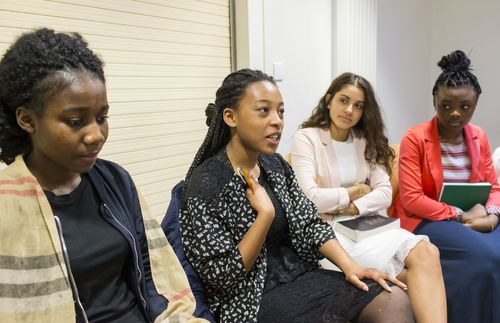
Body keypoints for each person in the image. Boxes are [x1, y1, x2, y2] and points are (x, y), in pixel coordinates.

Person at [0, 28, 203, 323]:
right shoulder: (7, 204)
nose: (96, 135)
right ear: (27, 120)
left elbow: (153, 275)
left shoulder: (116, 181)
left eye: (101, 118)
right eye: (75, 121)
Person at [180, 68, 414, 323]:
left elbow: (309, 223)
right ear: (230, 117)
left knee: (392, 298)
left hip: (299, 273)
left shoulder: (274, 165)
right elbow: (222, 277)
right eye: (263, 110)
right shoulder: (206, 183)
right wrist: (265, 216)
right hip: (250, 299)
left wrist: (351, 267)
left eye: (280, 111)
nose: (277, 120)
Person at [290, 72, 446, 322]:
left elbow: (384, 193)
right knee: (411, 278)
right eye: (343, 100)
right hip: (328, 234)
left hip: (366, 226)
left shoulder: (364, 140)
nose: (349, 110)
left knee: (428, 252)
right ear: (329, 100)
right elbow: (309, 199)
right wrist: (357, 190)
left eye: (358, 105)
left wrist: (349, 206)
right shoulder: (307, 138)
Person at [390, 50, 500, 323]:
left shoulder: (479, 136)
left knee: (488, 260)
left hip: (473, 216)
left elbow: (494, 186)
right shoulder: (415, 138)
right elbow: (413, 198)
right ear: (435, 101)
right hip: (426, 218)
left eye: (465, 107)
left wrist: (492, 215)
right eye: (446, 105)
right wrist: (461, 215)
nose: (455, 113)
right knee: (486, 256)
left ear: (475, 104)